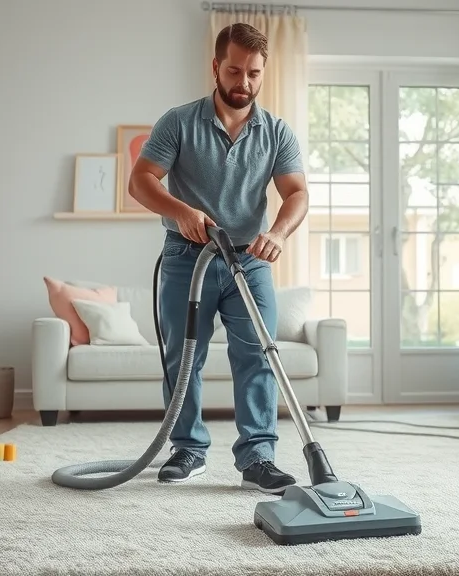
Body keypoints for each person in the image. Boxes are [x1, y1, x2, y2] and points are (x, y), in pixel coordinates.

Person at [127, 22, 308, 493]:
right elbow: (142, 180)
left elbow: (296, 193)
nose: (243, 83)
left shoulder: (277, 132)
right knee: (183, 356)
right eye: (234, 70)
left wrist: (279, 233)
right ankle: (187, 448)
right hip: (188, 258)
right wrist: (181, 211)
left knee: (258, 356)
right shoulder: (179, 121)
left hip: (249, 260)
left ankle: (258, 457)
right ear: (215, 67)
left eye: (253, 73)